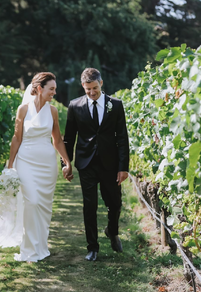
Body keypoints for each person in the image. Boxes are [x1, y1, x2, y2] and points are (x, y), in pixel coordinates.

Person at [0, 72, 72, 263]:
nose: (54, 92)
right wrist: (10, 165)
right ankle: (29, 251)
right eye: (51, 89)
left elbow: (57, 140)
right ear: (39, 88)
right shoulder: (23, 110)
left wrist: (67, 162)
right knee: (32, 203)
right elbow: (17, 138)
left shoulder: (53, 111)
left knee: (44, 208)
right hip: (26, 162)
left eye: (55, 89)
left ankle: (41, 247)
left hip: (47, 164)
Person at [62, 68, 129, 261]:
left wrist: (123, 167)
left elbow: (122, 137)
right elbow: (69, 138)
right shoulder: (75, 106)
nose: (92, 92)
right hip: (86, 163)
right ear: (83, 86)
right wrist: (66, 163)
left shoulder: (115, 105)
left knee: (115, 203)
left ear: (101, 83)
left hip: (110, 163)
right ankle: (92, 247)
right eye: (88, 89)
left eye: (95, 88)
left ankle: (112, 231)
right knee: (89, 206)